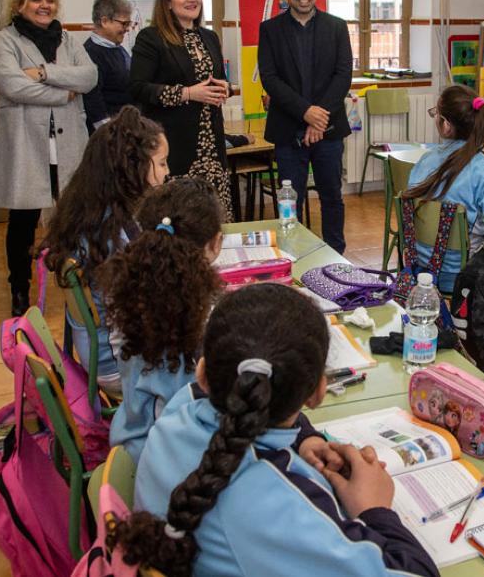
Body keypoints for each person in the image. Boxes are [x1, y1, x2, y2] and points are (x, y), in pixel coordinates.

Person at [108, 283, 438, 577]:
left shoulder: (178, 410)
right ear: (318, 393)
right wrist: (375, 510)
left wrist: (304, 437)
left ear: (203, 372)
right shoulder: (279, 503)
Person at [38, 106, 169, 397]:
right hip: (121, 368)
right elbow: (136, 315)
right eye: (161, 164)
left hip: (104, 357)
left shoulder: (96, 212)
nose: (166, 173)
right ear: (132, 166)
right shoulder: (112, 236)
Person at [0, 0, 97, 316]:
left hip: (68, 143)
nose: (44, 5)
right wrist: (64, 91)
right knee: (22, 222)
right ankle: (19, 289)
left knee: (75, 217)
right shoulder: (4, 41)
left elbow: (90, 77)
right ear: (20, 3)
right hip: (27, 145)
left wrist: (44, 72)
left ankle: (81, 280)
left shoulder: (66, 39)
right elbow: (13, 86)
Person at [97, 177, 222, 461]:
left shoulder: (132, 291)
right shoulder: (199, 321)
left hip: (133, 435)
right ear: (215, 243)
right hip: (166, 457)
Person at [257, 0, 352, 253]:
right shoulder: (270, 30)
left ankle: (336, 257)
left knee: (332, 198)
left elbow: (343, 75)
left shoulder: (337, 27)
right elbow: (270, 79)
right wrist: (305, 112)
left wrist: (317, 118)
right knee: (290, 201)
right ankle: (292, 255)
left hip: (329, 131)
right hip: (288, 131)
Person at [129, 0, 233, 219]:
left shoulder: (208, 37)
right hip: (175, 144)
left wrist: (225, 88)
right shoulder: (151, 38)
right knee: (179, 219)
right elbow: (138, 87)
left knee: (213, 220)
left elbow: (218, 78)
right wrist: (187, 93)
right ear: (167, 2)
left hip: (212, 146)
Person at [403, 84, 484, 292]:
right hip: (462, 275)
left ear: (446, 126)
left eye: (435, 113)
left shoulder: (425, 161)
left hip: (419, 266)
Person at [81, 0, 135, 133]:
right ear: (104, 21)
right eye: (124, 23)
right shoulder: (91, 53)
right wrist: (108, 132)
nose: (127, 28)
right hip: (110, 132)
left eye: (128, 23)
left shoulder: (115, 47)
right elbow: (92, 98)